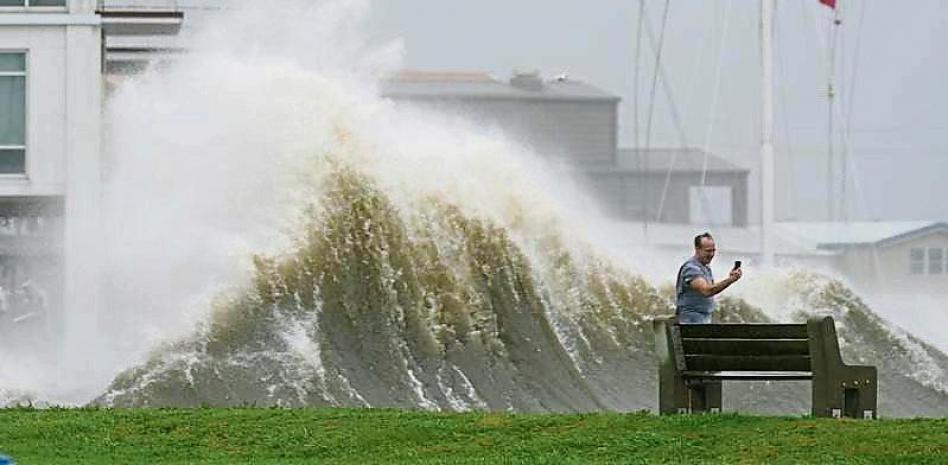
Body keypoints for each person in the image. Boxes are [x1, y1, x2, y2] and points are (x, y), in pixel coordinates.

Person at [675, 232, 742, 324]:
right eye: (708, 251)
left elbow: (711, 289)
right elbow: (706, 291)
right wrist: (731, 280)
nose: (711, 254)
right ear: (697, 249)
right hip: (690, 322)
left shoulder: (705, 267)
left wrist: (730, 278)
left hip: (703, 320)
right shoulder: (691, 268)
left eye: (713, 250)